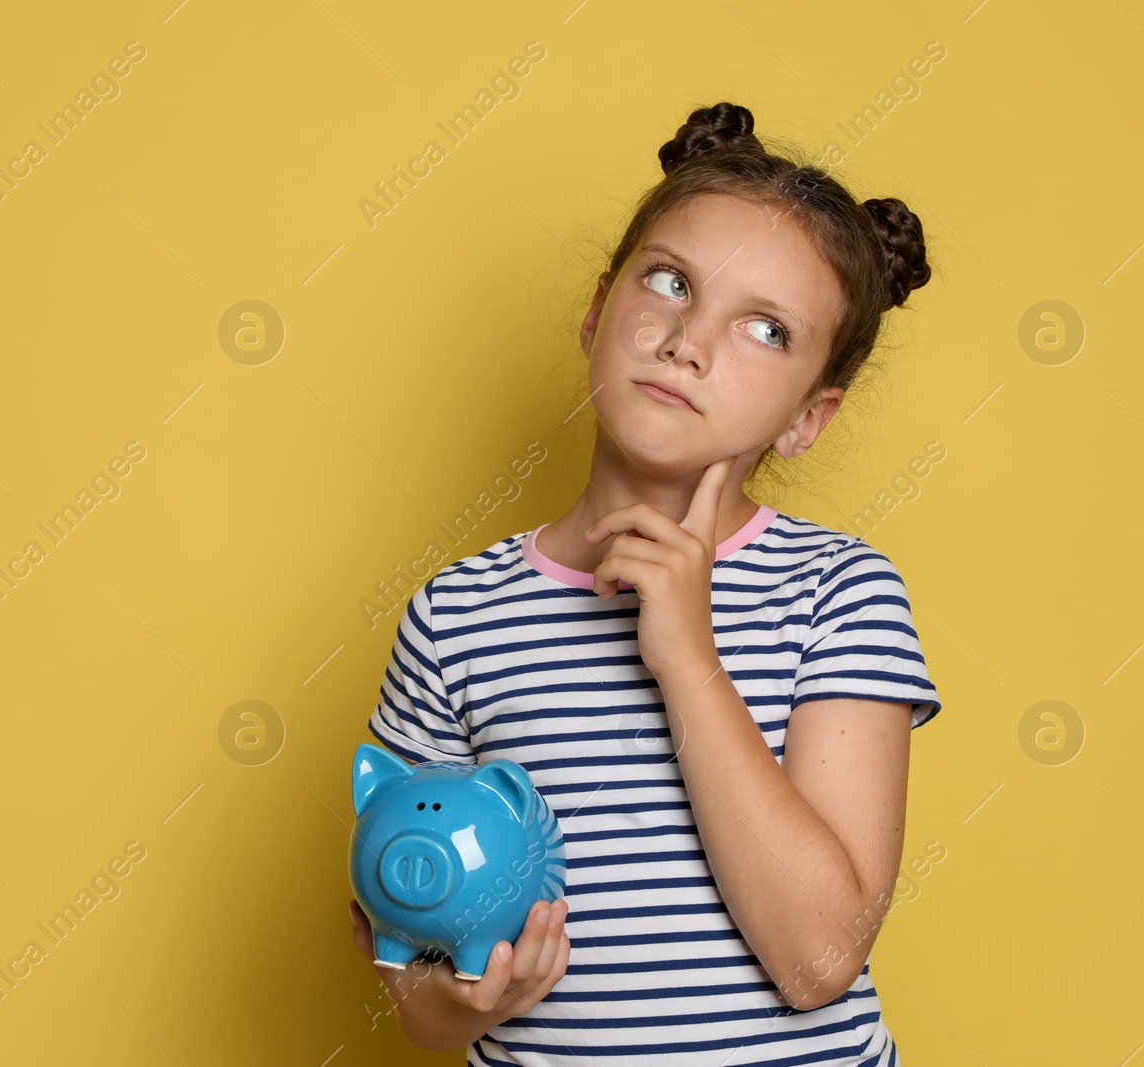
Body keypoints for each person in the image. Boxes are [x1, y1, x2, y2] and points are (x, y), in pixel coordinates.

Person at [349, 100, 942, 1066]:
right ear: (597, 311)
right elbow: (412, 975)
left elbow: (819, 960)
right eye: (668, 282)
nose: (687, 339)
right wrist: (461, 1007)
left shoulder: (841, 593)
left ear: (809, 417)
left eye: (766, 330)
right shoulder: (457, 615)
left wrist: (688, 658)